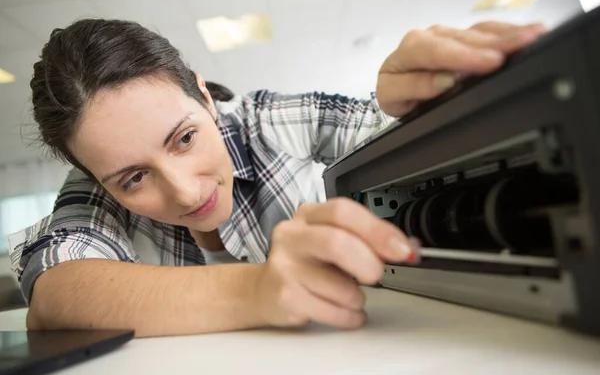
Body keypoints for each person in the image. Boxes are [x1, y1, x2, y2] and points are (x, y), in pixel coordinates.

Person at [8, 18, 545, 338]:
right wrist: (257, 290)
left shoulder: (267, 120)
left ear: (204, 96)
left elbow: (385, 135)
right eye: (132, 180)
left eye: (185, 138)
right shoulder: (92, 190)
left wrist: (428, 109)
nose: (187, 191)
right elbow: (59, 296)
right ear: (98, 181)